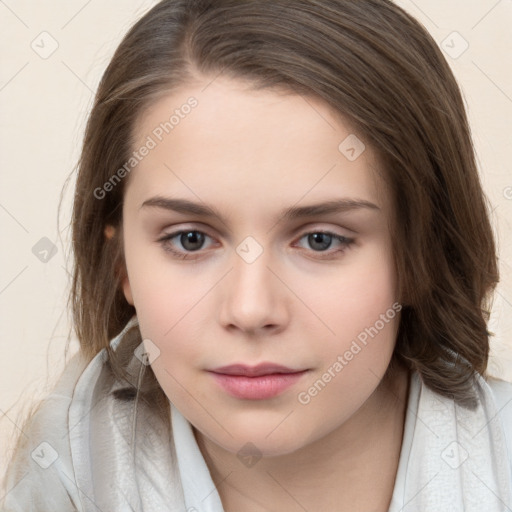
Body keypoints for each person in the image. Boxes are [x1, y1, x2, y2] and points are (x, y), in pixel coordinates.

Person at [2, 0, 511, 510]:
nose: (250, 310)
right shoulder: (61, 477)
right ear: (122, 266)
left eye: (321, 240)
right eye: (190, 239)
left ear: (421, 253)